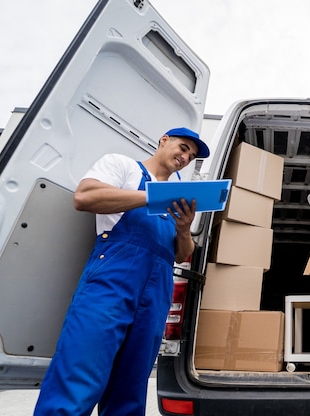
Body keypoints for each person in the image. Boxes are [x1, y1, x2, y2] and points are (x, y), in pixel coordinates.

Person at [34, 127, 210, 415]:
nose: (185, 156)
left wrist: (183, 228)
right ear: (163, 140)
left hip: (155, 296)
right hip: (110, 286)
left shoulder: (177, 201)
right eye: (183, 147)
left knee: (130, 389)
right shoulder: (123, 166)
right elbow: (85, 197)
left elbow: (182, 253)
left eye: (190, 155)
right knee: (79, 375)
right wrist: (152, 197)